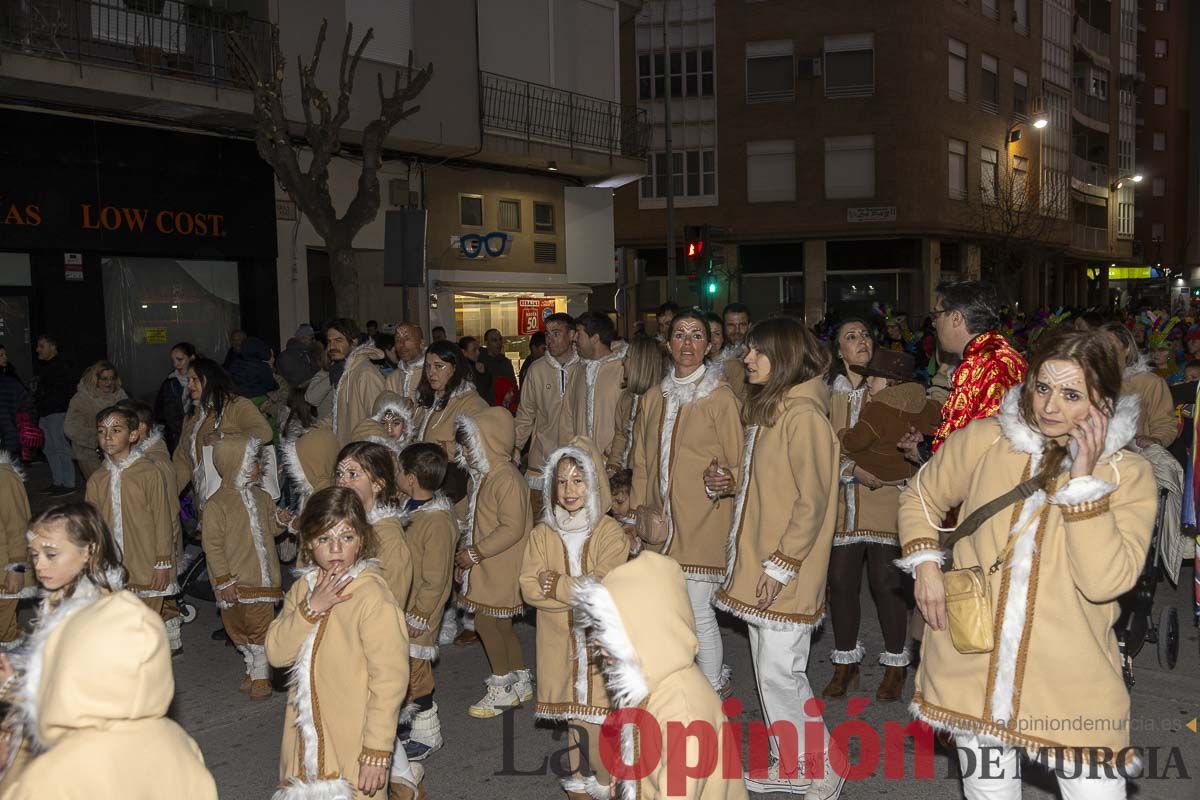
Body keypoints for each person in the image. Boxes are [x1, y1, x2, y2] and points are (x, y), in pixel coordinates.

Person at [898, 327, 1156, 799]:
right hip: (973, 661)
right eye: (1042, 387)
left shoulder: (1127, 475)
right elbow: (921, 495)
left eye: (1071, 393)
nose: (1050, 406)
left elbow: (1105, 582)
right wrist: (926, 565)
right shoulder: (986, 440)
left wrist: (1083, 486)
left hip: (1070, 679)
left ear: (1102, 399)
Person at [709, 317, 844, 798]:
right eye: (747, 351)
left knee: (780, 672)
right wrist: (732, 482)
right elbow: (774, 486)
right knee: (770, 670)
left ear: (784, 356)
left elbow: (812, 500)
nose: (747, 358)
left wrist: (780, 565)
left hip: (786, 569)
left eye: (757, 351)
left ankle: (823, 768)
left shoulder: (803, 416)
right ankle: (793, 763)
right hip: (766, 564)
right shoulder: (779, 409)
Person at [0, 504, 218, 800]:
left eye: (51, 554)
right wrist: (16, 687)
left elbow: (76, 698)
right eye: (34, 555)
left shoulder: (100, 622)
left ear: (89, 551)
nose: (39, 566)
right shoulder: (60, 604)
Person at [266, 486, 422, 800]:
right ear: (309, 543)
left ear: (361, 540)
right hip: (305, 748)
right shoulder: (303, 590)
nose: (336, 548)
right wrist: (311, 609)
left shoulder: (372, 597)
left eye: (346, 537)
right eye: (325, 539)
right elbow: (276, 653)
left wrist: (377, 750)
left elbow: (390, 680)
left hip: (355, 746)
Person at [571, 552, 749, 800]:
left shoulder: (685, 715)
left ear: (646, 633)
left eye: (609, 632)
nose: (598, 647)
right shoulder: (655, 679)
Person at [629, 310, 743, 695]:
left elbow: (739, 461)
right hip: (662, 523)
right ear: (668, 343)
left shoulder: (720, 397)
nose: (688, 343)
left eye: (697, 335)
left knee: (697, 610)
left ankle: (710, 689)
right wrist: (637, 513)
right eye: (680, 334)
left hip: (705, 519)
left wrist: (726, 479)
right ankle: (684, 682)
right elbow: (642, 460)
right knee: (671, 611)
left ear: (710, 345)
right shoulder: (652, 397)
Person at [825, 340, 939, 702]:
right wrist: (850, 468)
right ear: (840, 350)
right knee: (841, 582)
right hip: (844, 501)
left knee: (885, 582)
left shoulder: (893, 403)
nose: (860, 340)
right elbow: (822, 445)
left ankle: (894, 667)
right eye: (851, 335)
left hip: (888, 500)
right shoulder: (830, 396)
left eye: (864, 334)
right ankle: (845, 665)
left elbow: (928, 440)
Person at [519, 437, 629, 799]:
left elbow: (602, 586)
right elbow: (530, 588)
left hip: (598, 648)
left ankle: (606, 786)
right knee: (574, 726)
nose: (569, 490)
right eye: (562, 481)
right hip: (558, 650)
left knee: (598, 731)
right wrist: (569, 591)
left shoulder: (609, 533)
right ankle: (580, 789)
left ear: (594, 483)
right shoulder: (542, 534)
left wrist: (557, 585)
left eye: (578, 480)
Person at [453, 408, 534, 718]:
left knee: (487, 622)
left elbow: (511, 528)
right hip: (491, 563)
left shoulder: (506, 478)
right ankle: (520, 678)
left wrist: (475, 553)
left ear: (489, 442)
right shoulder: (487, 476)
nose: (463, 453)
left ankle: (501, 687)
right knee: (501, 625)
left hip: (501, 564)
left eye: (468, 445)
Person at [85, 406, 181, 652]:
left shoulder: (149, 472)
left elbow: (163, 519)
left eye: (116, 430)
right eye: (102, 431)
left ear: (133, 435)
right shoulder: (97, 479)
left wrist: (163, 563)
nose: (108, 437)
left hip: (147, 566)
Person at [903, 281, 1026, 461]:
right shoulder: (996, 353)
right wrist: (927, 443)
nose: (934, 324)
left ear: (956, 318)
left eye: (936, 314)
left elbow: (976, 448)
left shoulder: (986, 364)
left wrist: (923, 452)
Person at [201, 436, 284, 701]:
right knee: (237, 629)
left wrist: (281, 521)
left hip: (262, 579)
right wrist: (223, 580)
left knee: (261, 627)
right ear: (234, 464)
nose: (259, 466)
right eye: (252, 461)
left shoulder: (262, 496)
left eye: (258, 461)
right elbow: (212, 546)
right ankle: (252, 666)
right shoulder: (216, 504)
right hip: (232, 582)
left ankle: (262, 674)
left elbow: (272, 529)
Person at [395, 443, 457, 762]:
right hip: (406, 605)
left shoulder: (436, 522)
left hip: (422, 611)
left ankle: (428, 731)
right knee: (403, 669)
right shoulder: (412, 507)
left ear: (411, 478)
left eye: (399, 472)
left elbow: (435, 578)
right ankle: (410, 722)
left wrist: (420, 614)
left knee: (418, 672)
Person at [172, 358, 272, 503]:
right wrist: (166, 497)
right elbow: (182, 464)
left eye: (194, 379)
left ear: (208, 379)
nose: (189, 385)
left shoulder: (235, 405)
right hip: (206, 504)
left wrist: (224, 437)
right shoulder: (193, 418)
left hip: (238, 501)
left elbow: (264, 431)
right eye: (188, 380)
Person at [333, 442, 414, 616]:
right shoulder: (339, 523)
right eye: (339, 474)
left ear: (377, 484)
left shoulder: (386, 534)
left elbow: (395, 591)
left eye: (352, 474)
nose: (342, 481)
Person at [514, 313, 581, 516]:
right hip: (542, 461)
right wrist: (514, 448)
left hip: (578, 460)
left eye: (556, 333)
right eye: (547, 334)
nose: (550, 340)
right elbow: (525, 414)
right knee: (541, 524)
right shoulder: (536, 370)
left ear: (572, 335)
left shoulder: (585, 367)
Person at [1102, 321, 1178, 448]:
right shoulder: (1089, 381)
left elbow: (1165, 423)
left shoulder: (1149, 382)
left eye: (1110, 345)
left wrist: (1156, 440)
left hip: (1135, 456)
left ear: (1126, 349)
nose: (1103, 350)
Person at [567, 312, 628, 458]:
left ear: (595, 338)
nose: (574, 339)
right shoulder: (577, 371)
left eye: (579, 334)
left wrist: (613, 453)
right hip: (581, 465)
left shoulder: (622, 369)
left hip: (613, 465)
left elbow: (631, 419)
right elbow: (568, 418)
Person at [416, 341, 489, 459]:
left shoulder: (472, 403)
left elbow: (481, 445)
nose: (431, 372)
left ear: (455, 367)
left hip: (453, 474)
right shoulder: (428, 398)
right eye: (428, 366)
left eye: (438, 366)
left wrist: (442, 449)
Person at [605, 334, 665, 474]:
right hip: (625, 477)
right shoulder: (626, 398)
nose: (622, 362)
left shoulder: (660, 401)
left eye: (627, 357)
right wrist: (612, 467)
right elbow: (620, 436)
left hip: (647, 477)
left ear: (641, 363)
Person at [323, 318, 387, 447]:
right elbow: (341, 416)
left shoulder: (365, 373)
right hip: (349, 455)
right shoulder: (347, 372)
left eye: (338, 340)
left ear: (354, 342)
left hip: (363, 456)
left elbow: (381, 420)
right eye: (329, 342)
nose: (332, 347)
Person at [64, 360, 128, 480]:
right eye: (104, 379)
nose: (109, 382)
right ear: (95, 379)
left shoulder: (121, 396)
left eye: (111, 378)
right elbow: (71, 427)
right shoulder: (82, 399)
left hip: (118, 451)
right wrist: (98, 439)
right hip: (90, 454)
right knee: (101, 489)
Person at [33, 335, 78, 495]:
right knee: (49, 449)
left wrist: (42, 401)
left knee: (60, 447)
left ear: (53, 346)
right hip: (47, 413)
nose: (38, 349)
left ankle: (68, 483)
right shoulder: (48, 367)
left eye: (41, 346)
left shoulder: (61, 367)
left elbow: (63, 393)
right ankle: (58, 481)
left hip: (57, 413)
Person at [0, 449, 33, 652]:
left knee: (5, 633)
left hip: (3, 571)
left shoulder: (4, 477)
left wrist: (17, 568)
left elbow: (18, 526)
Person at [154, 342, 196, 455]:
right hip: (175, 437)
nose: (176, 364)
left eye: (180, 359)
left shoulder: (203, 380)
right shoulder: (170, 382)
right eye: (173, 360)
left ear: (191, 358)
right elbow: (162, 412)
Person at [227, 336, 278, 402]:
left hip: (239, 399)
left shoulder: (234, 364)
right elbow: (270, 386)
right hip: (257, 400)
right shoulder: (262, 366)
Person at [386, 323, 427, 404]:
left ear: (422, 344)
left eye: (407, 339)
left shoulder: (433, 373)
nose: (402, 344)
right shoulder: (393, 379)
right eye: (398, 340)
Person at [480, 329, 517, 410]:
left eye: (500, 339)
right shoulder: (480, 362)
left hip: (505, 408)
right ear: (486, 343)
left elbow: (513, 386)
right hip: (485, 408)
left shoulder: (505, 363)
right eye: (494, 340)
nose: (499, 343)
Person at [276, 325, 318, 389]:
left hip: (308, 394)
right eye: (312, 338)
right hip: (295, 396)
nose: (314, 341)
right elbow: (296, 382)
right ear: (303, 338)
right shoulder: (287, 356)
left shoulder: (309, 353)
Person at [459, 336, 493, 405]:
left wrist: (483, 373)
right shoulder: (461, 371)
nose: (478, 352)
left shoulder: (479, 366)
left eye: (478, 349)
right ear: (463, 352)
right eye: (474, 350)